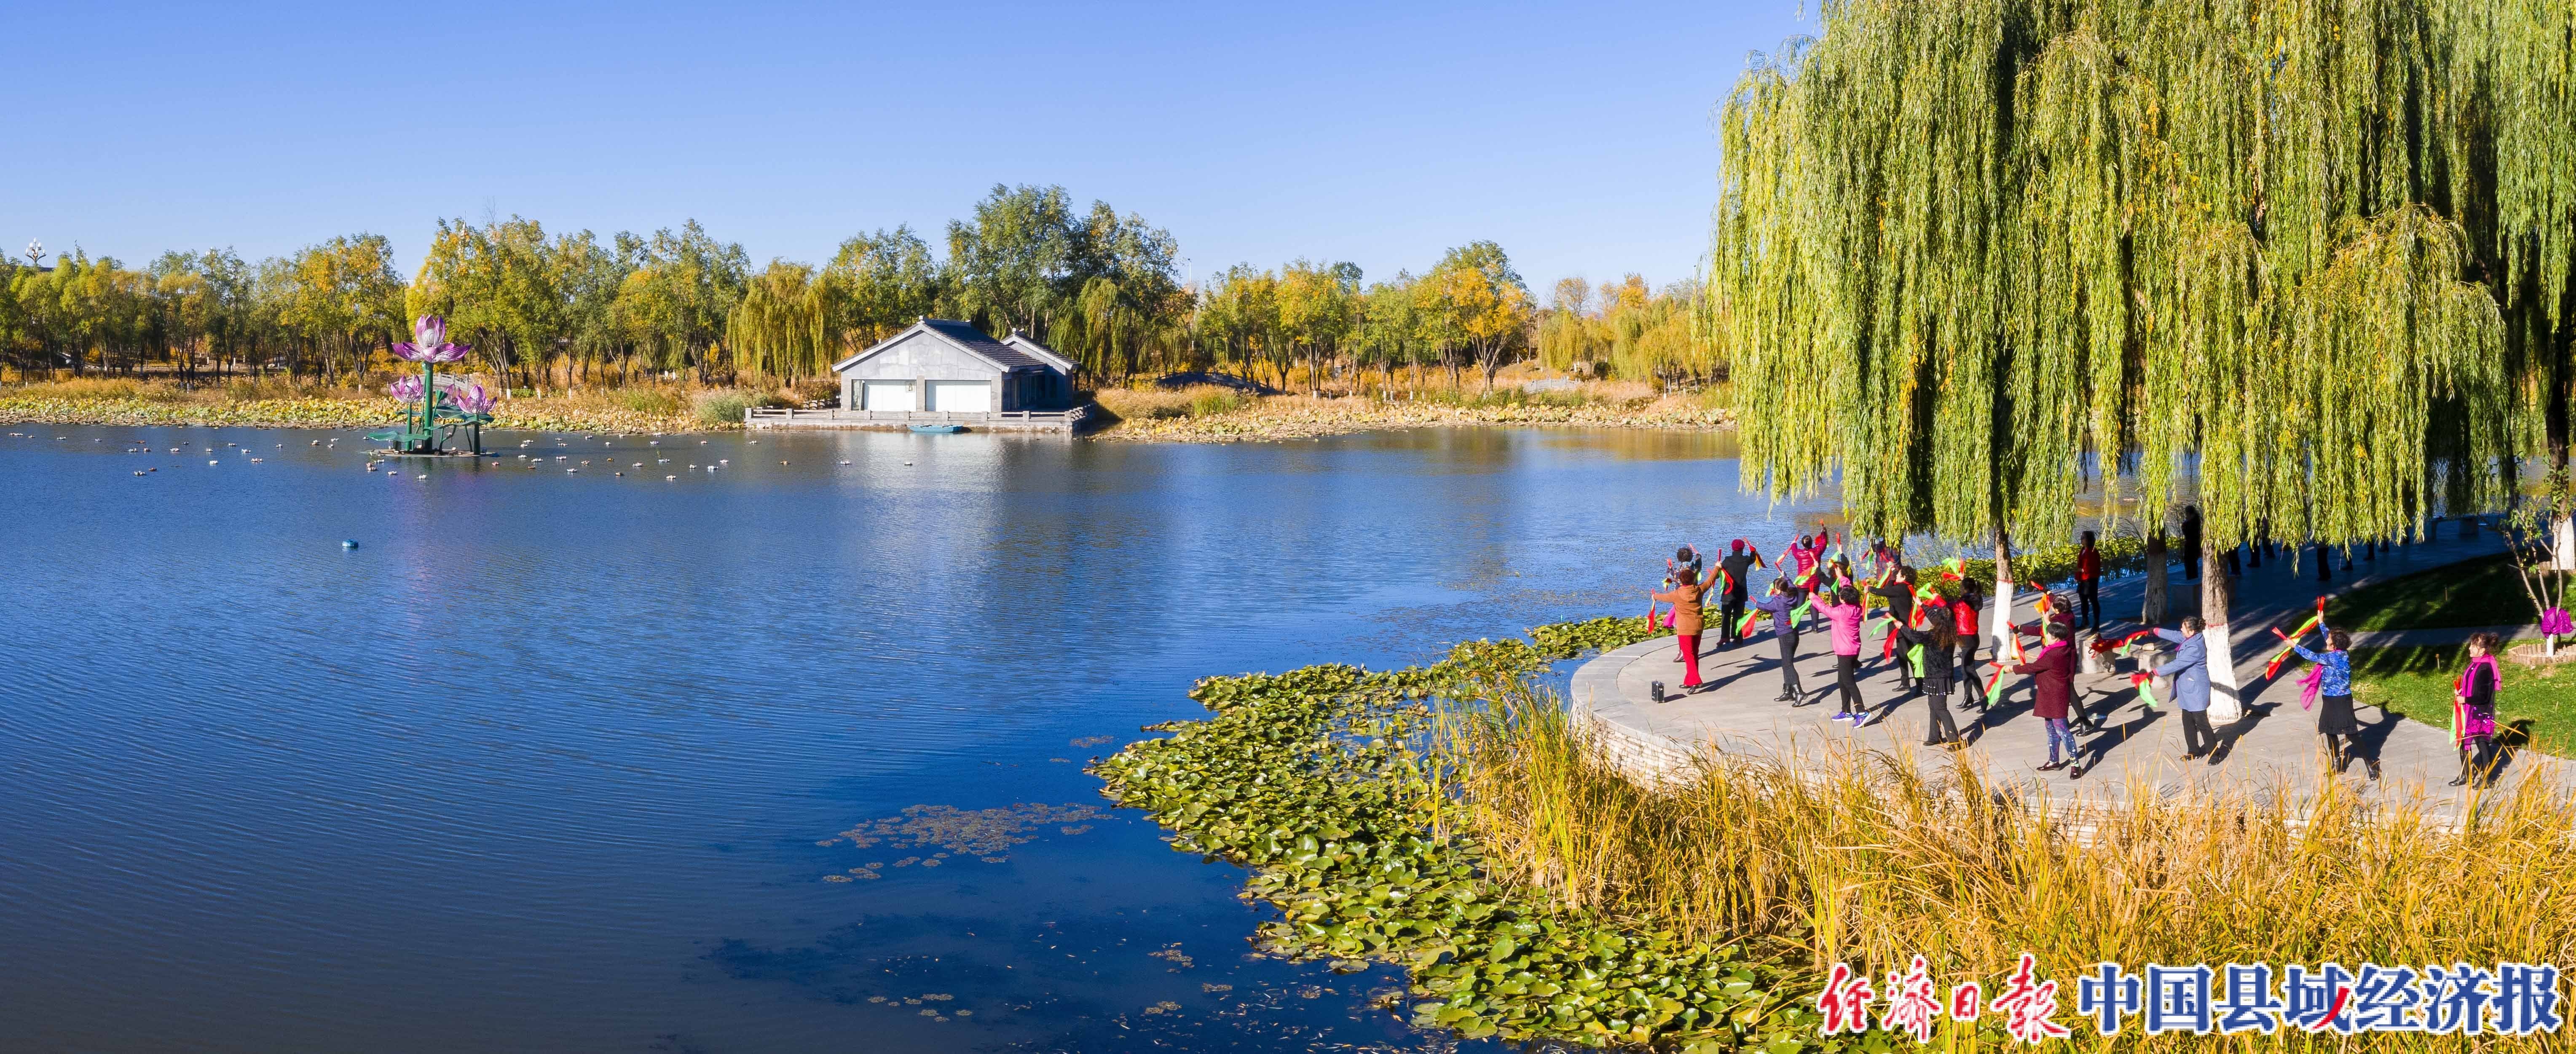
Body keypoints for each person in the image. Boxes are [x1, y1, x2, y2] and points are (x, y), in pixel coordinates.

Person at [2292, 627, 2367, 778]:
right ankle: (2337, 765)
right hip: (2329, 699)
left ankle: (2371, 763)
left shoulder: (2333, 658)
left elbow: (2312, 656)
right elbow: (2331, 637)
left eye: (2329, 640)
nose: (2326, 640)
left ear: (2334, 645)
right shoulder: (2341, 652)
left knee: (2350, 733)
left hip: (2340, 700)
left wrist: (2294, 646)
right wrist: (2321, 623)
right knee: (2330, 731)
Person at [2014, 621, 2079, 771]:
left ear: (2055, 638)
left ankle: (2075, 764)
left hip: (2056, 696)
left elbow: (2034, 667)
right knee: (2050, 728)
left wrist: (2012, 669)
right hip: (2049, 694)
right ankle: (2054, 761)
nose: (2046, 637)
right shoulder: (2062, 648)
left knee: (2062, 729)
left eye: (2048, 635)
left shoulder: (2055, 654)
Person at [1894, 617, 1963, 747]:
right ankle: (1935, 736)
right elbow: (1932, 616)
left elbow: (1915, 636)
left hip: (1938, 678)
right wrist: (1922, 606)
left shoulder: (1933, 636)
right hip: (1936, 677)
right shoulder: (1949, 633)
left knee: (1941, 709)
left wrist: (1901, 627)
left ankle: (1956, 741)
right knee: (1933, 706)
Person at [2155, 616, 2216, 761]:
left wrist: (2155, 672)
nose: (2181, 629)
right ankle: (2194, 751)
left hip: (2197, 690)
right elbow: (2175, 635)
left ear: (2192, 631)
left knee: (2202, 723)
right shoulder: (2190, 638)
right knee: (2188, 722)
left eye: (2184, 628)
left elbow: (2178, 664)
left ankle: (2214, 754)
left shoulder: (2195, 647)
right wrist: (2155, 631)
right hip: (2188, 689)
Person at [1647, 567, 1710, 693]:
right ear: (1694, 579)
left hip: (1685, 630)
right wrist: (1718, 567)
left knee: (1688, 655)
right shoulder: (1699, 590)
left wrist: (1654, 596)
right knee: (1694, 654)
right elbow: (1710, 580)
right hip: (1698, 627)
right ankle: (1689, 681)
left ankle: (1695, 681)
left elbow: (1663, 597)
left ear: (1681, 581)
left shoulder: (1676, 594)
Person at [2453, 632, 2503, 787]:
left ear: (2482, 650)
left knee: (2482, 743)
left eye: (2474, 646)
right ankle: (2466, 776)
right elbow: (2472, 686)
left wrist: (2465, 700)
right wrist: (2461, 691)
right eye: (2471, 645)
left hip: (2479, 713)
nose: (2470, 648)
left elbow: (2483, 696)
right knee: (2464, 744)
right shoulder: (2475, 664)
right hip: (2469, 711)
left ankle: (2488, 779)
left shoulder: (2486, 668)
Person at [1820, 585, 1869, 724]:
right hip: (1853, 649)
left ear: (1843, 599)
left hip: (1845, 651)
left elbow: (1825, 609)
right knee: (1842, 681)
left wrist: (1814, 598)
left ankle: (1862, 711)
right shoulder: (1857, 609)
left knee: (1849, 682)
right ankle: (1846, 711)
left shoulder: (1841, 612)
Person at [1750, 578, 1806, 701]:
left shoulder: (1778, 602)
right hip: (1794, 633)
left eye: (1775, 588)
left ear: (1779, 590)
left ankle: (1799, 691)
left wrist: (1756, 604)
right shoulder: (1793, 595)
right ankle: (1788, 691)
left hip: (1785, 635)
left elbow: (1765, 607)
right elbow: (1792, 585)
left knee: (1788, 664)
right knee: (1786, 662)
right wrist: (1785, 577)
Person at [1868, 565, 1919, 692]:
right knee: (1902, 654)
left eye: (1899, 574)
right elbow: (1889, 589)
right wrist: (1893, 573)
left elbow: (1884, 592)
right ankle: (1906, 682)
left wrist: (1870, 589)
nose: (1897, 575)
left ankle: (1919, 684)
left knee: (1908, 655)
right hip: (1901, 625)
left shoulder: (1901, 589)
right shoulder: (1905, 587)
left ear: (1904, 577)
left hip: (1902, 626)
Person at [1952, 581, 1987, 707]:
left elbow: (1945, 606)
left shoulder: (1963, 603)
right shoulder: (1975, 599)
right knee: (1966, 669)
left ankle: (1983, 697)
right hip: (1973, 638)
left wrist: (1933, 598)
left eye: (1961, 587)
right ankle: (1968, 696)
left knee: (1969, 669)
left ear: (1966, 589)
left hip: (1967, 638)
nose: (1960, 589)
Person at [1718, 540, 1756, 647]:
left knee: (1726, 616)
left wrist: (1718, 566)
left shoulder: (1727, 561)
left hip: (1728, 593)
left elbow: (1717, 575)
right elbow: (1753, 559)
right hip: (1741, 593)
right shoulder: (1746, 560)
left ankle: (1724, 637)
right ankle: (1737, 637)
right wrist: (1753, 551)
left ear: (1732, 548)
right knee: (1738, 616)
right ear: (1743, 549)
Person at [2075, 531, 2104, 631]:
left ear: (2088, 540)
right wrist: (2078, 576)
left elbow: (2092, 567)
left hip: (2091, 580)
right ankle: (2085, 622)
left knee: (2093, 601)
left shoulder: (2093, 552)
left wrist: (2080, 570)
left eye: (2083, 538)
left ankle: (2096, 623)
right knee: (2083, 601)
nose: (2081, 539)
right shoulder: (2083, 550)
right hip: (2083, 580)